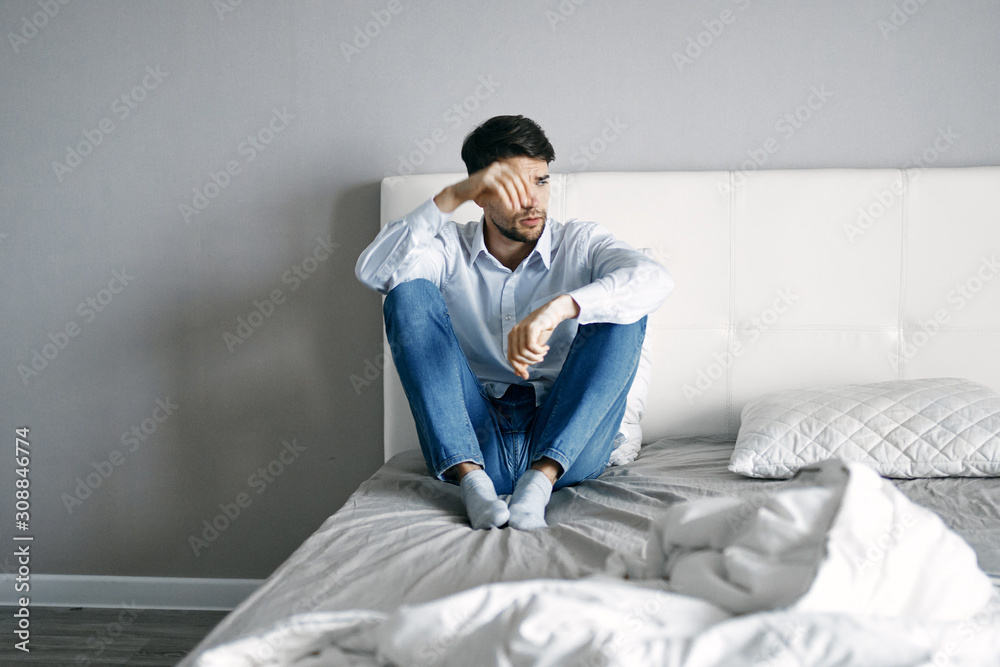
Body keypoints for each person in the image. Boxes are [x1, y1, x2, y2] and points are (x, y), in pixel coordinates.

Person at [356, 115, 673, 530]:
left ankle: (538, 484)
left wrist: (562, 307)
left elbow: (654, 279)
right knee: (406, 292)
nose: (533, 201)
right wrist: (450, 196)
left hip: (567, 444)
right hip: (475, 438)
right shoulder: (448, 248)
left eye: (540, 181)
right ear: (480, 195)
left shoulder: (579, 242)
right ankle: (473, 485)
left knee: (623, 309)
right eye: (514, 188)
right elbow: (376, 273)